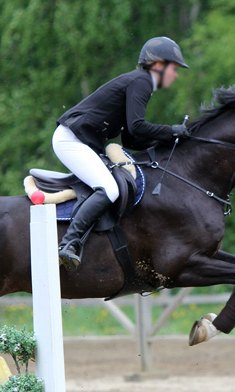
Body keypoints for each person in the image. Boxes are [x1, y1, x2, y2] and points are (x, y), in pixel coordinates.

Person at [53, 36, 190, 271]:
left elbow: (130, 139)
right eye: (174, 68)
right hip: (70, 140)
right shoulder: (142, 81)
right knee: (109, 189)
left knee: (110, 186)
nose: (175, 75)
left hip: (77, 140)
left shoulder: (139, 81)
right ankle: (68, 243)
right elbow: (137, 127)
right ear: (158, 64)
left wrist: (168, 142)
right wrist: (171, 131)